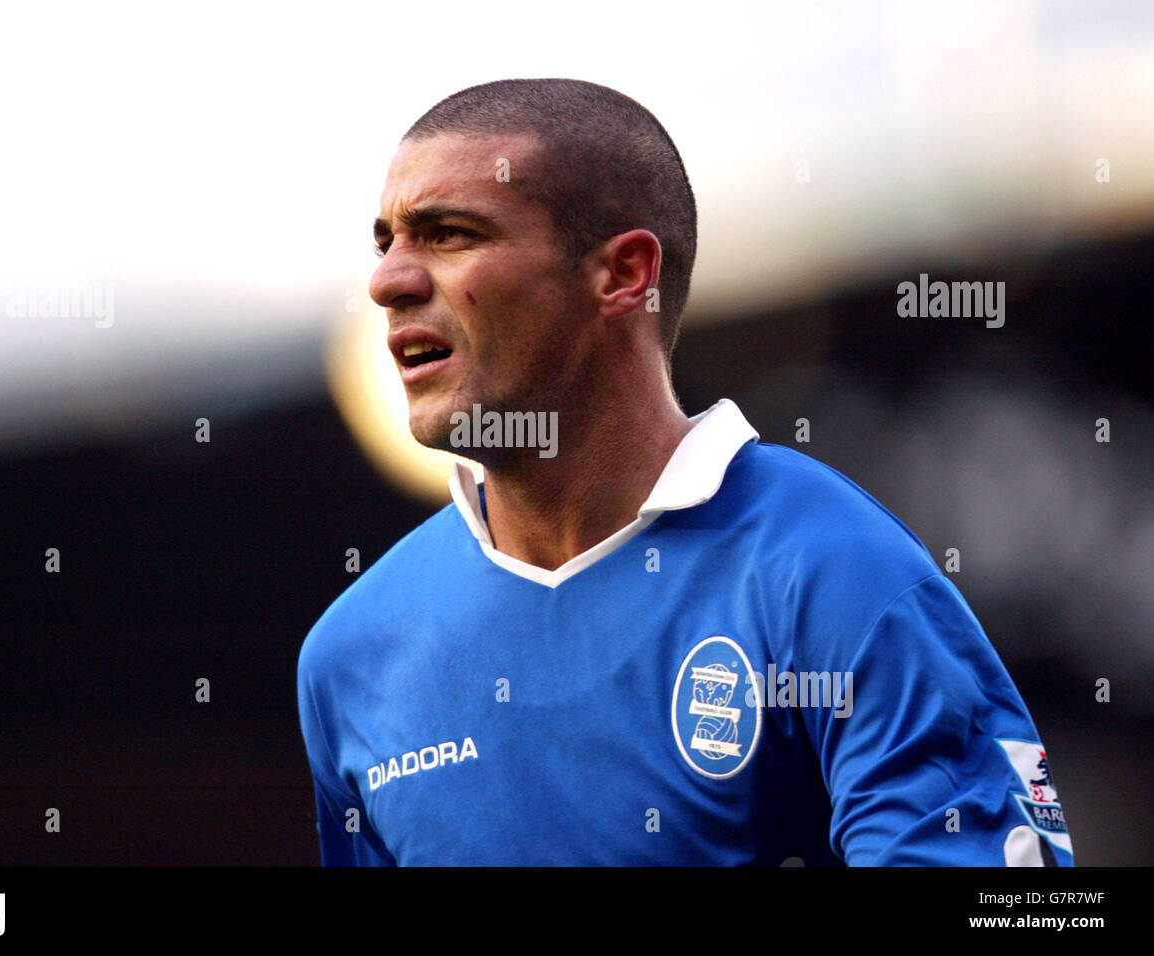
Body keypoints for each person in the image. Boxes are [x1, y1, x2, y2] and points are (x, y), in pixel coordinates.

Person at [296, 78, 1074, 866]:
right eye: (385, 242)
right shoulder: (351, 657)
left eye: (450, 234)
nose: (387, 282)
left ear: (624, 275)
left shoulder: (834, 574)